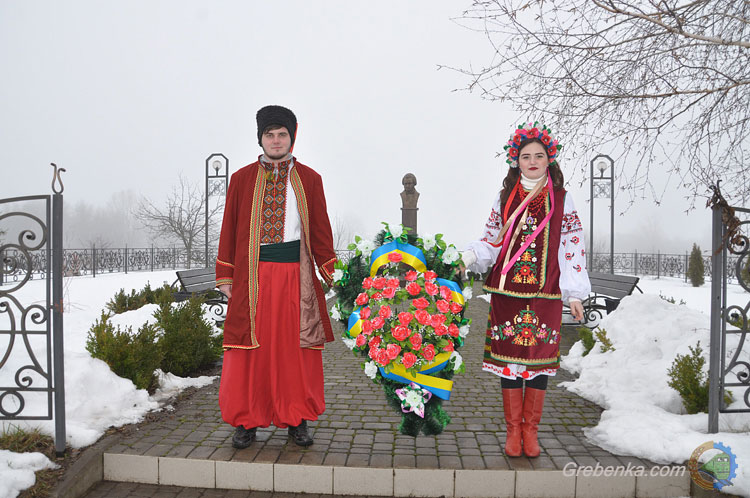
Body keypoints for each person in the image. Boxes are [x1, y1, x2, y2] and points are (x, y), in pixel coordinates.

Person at [461, 122, 590, 458]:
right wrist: (470, 256)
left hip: (546, 294)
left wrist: (575, 293)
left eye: (539, 155)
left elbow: (572, 245)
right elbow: (492, 239)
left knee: (537, 362)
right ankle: (513, 431)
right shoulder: (504, 197)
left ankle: (531, 431)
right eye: (526, 156)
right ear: (515, 161)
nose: (532, 161)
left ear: (550, 159)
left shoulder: (562, 199)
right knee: (509, 363)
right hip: (508, 295)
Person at [215, 105, 337, 449]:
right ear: (261, 139)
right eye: (269, 135)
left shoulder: (310, 179)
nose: (276, 140)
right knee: (250, 352)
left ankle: (296, 419)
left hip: (296, 279)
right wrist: (225, 276)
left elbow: (321, 233)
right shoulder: (241, 179)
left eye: (282, 134)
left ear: (292, 137)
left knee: (293, 351)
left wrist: (336, 275)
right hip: (252, 280)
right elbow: (229, 229)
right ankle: (247, 420)